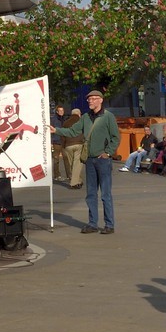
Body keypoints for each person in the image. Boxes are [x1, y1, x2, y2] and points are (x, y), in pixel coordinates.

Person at [49, 90, 120, 233]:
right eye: (89, 99)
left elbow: (115, 137)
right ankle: (92, 224)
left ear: (100, 100)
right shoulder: (86, 117)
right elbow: (73, 132)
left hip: (103, 160)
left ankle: (109, 225)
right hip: (89, 159)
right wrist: (56, 130)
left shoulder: (108, 117)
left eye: (93, 99)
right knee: (91, 194)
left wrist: (107, 153)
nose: (90, 101)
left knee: (105, 194)